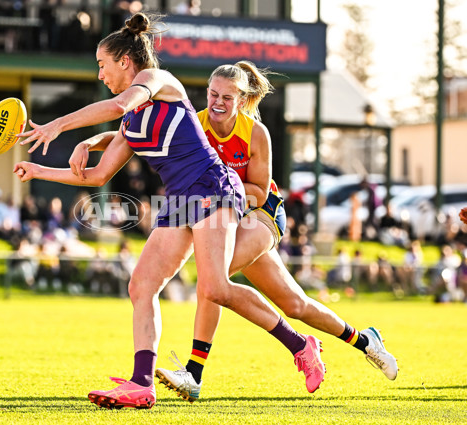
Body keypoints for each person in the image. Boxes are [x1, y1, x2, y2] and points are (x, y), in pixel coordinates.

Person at [13, 13, 325, 409]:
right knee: (140, 286)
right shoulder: (130, 123)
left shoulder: (159, 81)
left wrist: (57, 126)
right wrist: (38, 170)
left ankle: (301, 345)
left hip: (213, 187)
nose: (100, 73)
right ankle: (142, 383)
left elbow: (119, 102)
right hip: (179, 199)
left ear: (126, 61)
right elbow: (97, 176)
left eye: (102, 64)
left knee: (215, 289)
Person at [64, 58, 398, 403]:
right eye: (213, 94)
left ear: (241, 101)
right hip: (221, 213)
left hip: (259, 214)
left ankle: (196, 374)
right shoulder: (196, 123)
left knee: (214, 284)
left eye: (227, 97)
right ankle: (365, 340)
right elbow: (131, 135)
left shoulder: (255, 132)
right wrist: (89, 141)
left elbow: (258, 190)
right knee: (294, 304)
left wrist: (221, 184)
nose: (218, 103)